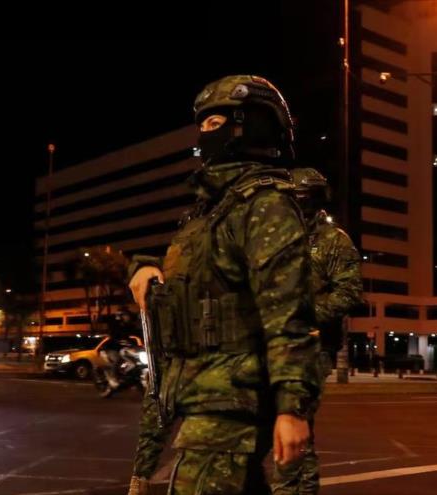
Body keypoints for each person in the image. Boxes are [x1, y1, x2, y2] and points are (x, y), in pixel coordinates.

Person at [127, 75, 320, 495]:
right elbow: (191, 276)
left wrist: (292, 407)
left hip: (231, 400)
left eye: (216, 124)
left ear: (248, 126)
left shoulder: (265, 206)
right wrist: (143, 267)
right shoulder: (209, 211)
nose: (205, 135)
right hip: (195, 391)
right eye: (203, 126)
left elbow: (287, 314)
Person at [271, 168, 362, 495]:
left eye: (299, 198)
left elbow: (349, 293)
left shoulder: (333, 240)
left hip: (314, 344)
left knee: (296, 420)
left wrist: (307, 314)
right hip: (279, 343)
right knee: (284, 424)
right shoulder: (279, 239)